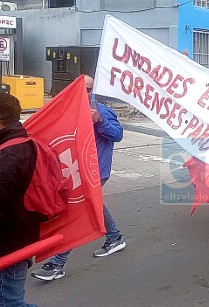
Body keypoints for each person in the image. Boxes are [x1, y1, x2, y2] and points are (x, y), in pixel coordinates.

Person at [33, 75, 126, 281]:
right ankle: (114, 237)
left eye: (89, 90)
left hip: (95, 171)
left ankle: (57, 263)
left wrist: (99, 121)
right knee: (95, 205)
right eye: (82, 89)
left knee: (78, 211)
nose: (85, 94)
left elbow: (118, 135)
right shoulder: (69, 110)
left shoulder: (100, 111)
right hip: (77, 170)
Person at [0, 93, 40, 307]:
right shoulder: (20, 141)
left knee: (10, 302)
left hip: (10, 244)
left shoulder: (10, 154)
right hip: (18, 238)